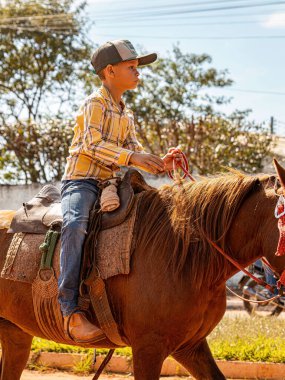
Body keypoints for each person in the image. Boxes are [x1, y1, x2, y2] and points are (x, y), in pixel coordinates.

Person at [59, 39, 179, 342]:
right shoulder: (94, 103)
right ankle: (70, 310)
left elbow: (133, 151)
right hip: (82, 181)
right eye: (132, 67)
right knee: (74, 226)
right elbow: (92, 145)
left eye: (137, 68)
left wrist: (159, 162)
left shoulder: (127, 113)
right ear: (110, 71)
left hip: (111, 184)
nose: (138, 73)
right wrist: (132, 157)